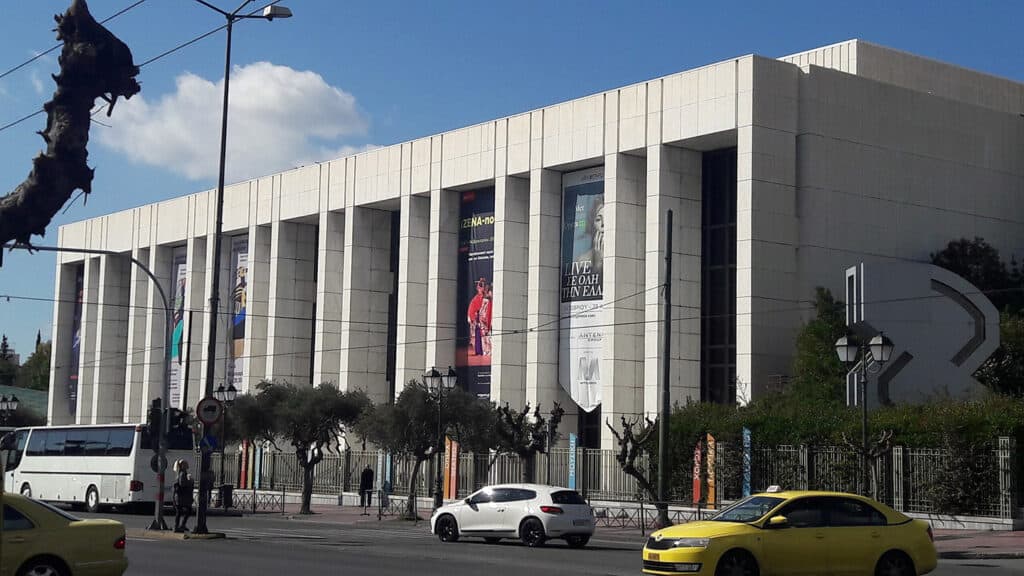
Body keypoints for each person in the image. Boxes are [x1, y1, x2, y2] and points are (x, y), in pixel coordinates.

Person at [172, 459, 195, 533]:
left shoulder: (181, 473)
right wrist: (190, 481)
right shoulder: (182, 474)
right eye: (184, 464)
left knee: (181, 511)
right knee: (184, 511)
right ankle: (179, 526)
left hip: (181, 496)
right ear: (181, 466)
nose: (186, 465)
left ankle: (180, 526)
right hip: (182, 496)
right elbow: (183, 484)